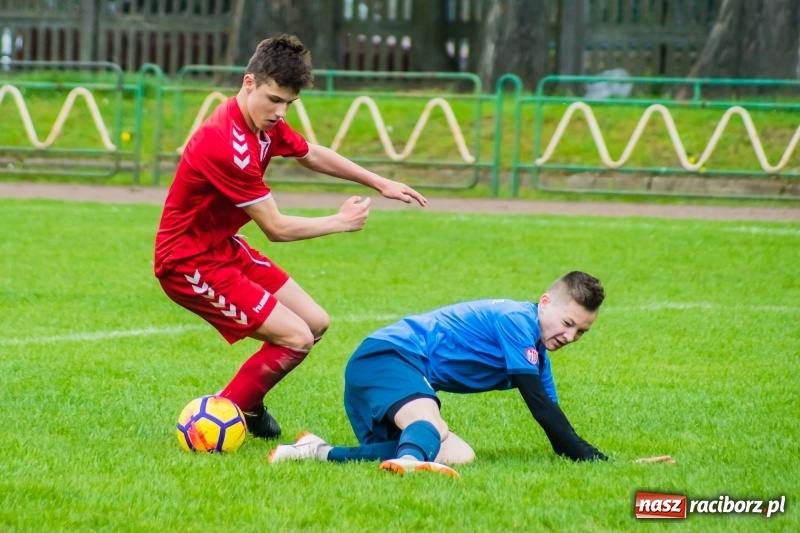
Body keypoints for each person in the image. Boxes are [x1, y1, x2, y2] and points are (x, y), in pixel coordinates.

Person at [154, 35, 426, 440]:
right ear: (249, 82)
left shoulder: (262, 125)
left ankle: (246, 401)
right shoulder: (225, 145)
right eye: (274, 100)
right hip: (187, 262)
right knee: (296, 338)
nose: (280, 112)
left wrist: (378, 181)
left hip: (223, 247)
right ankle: (217, 418)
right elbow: (276, 228)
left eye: (289, 104)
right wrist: (340, 222)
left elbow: (310, 153)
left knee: (315, 323)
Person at [268, 271, 608, 477]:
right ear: (545, 303)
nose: (570, 336)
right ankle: (410, 464)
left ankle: (315, 451)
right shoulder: (517, 320)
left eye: (580, 331)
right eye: (567, 323)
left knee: (460, 455)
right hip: (387, 356)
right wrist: (588, 455)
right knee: (431, 424)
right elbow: (539, 404)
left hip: (393, 376)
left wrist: (594, 458)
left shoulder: (538, 357)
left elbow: (553, 419)